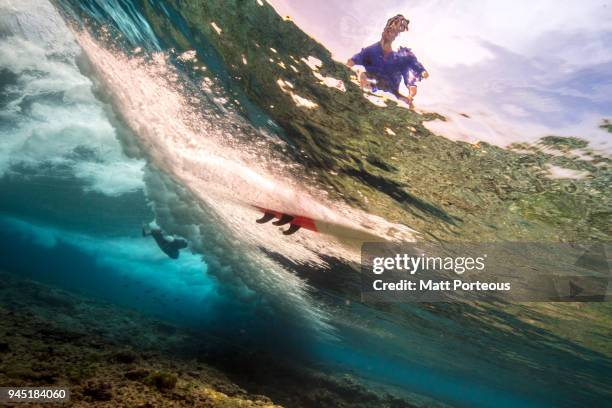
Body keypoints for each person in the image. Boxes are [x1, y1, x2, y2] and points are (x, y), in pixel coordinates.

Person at [347, 14, 429, 108]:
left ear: (396, 35)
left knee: (400, 95)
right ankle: (367, 92)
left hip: (391, 88)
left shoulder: (399, 59)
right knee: (362, 75)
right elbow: (352, 61)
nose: (390, 31)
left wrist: (420, 72)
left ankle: (405, 100)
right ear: (385, 29)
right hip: (375, 83)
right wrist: (347, 68)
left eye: (394, 31)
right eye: (389, 28)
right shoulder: (371, 50)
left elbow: (410, 79)